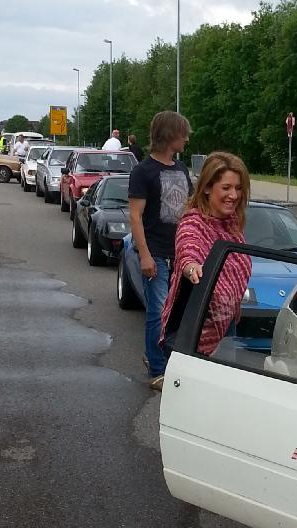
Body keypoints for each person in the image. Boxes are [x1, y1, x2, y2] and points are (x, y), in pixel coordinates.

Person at [161, 151, 252, 369]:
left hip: (226, 329)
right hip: (191, 339)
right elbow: (187, 251)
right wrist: (191, 268)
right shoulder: (193, 223)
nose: (234, 195)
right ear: (208, 187)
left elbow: (234, 274)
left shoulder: (232, 227)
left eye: (239, 188)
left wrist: (233, 303)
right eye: (226, 187)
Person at [127, 111, 192, 391]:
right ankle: (157, 370)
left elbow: (189, 210)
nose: (187, 139)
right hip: (156, 253)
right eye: (183, 134)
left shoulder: (181, 169)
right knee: (158, 311)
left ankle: (163, 359)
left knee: (177, 313)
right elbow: (135, 216)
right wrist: (144, 254)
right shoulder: (143, 171)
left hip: (180, 253)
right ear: (170, 135)